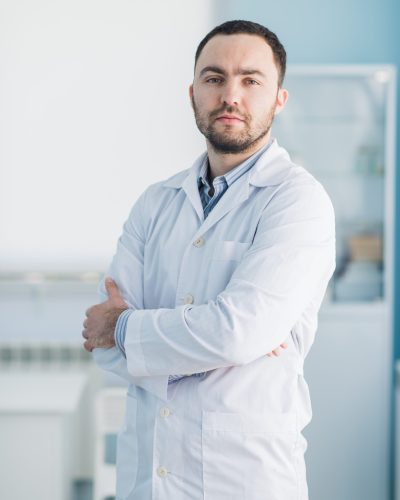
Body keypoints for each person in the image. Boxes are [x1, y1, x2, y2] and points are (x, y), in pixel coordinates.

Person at [82, 19, 335, 500]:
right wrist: (217, 341)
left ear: (279, 98)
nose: (230, 95)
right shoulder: (155, 203)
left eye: (251, 80)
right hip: (147, 477)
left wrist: (123, 327)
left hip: (245, 478)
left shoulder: (298, 201)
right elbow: (109, 354)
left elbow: (236, 332)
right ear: (193, 92)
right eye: (214, 78)